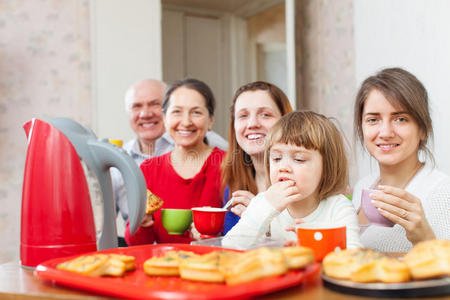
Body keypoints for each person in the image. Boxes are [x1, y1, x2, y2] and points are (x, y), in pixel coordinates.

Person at [111, 79, 227, 245]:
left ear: (210, 120)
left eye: (196, 113)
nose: (186, 122)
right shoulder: (148, 170)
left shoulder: (229, 165)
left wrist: (215, 237)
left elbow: (241, 235)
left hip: (214, 265)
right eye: (177, 112)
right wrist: (141, 223)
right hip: (164, 265)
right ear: (165, 118)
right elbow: (136, 243)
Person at [224, 111, 361, 249]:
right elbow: (230, 247)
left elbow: (353, 257)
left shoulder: (338, 209)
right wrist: (264, 209)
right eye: (277, 158)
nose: (283, 167)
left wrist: (313, 247)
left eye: (298, 159)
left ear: (327, 168)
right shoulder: (264, 203)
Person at [352, 67, 450, 252]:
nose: (386, 133)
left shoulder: (444, 193)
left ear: (423, 129)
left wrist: (424, 239)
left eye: (401, 119)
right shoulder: (362, 186)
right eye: (373, 120)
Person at [221, 81, 293, 234]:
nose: (252, 124)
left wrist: (260, 219)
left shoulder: (299, 185)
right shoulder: (233, 184)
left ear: (286, 121)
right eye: (243, 116)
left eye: (265, 114)